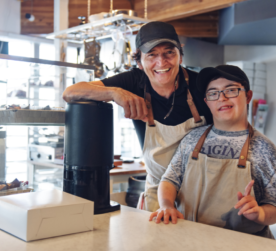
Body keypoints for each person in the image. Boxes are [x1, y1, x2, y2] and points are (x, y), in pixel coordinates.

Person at [62, 21, 213, 212]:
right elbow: (71, 92)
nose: (161, 62)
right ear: (140, 61)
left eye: (169, 53)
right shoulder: (133, 81)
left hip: (200, 193)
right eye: (152, 55)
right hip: (157, 195)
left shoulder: (202, 85)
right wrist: (114, 92)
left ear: (180, 56)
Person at [149, 65, 276, 239]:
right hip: (190, 239)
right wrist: (166, 205)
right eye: (213, 93)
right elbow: (170, 180)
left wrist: (259, 213)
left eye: (231, 90)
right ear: (207, 102)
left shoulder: (265, 149)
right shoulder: (191, 139)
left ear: (248, 96)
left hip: (243, 244)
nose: (221, 98)